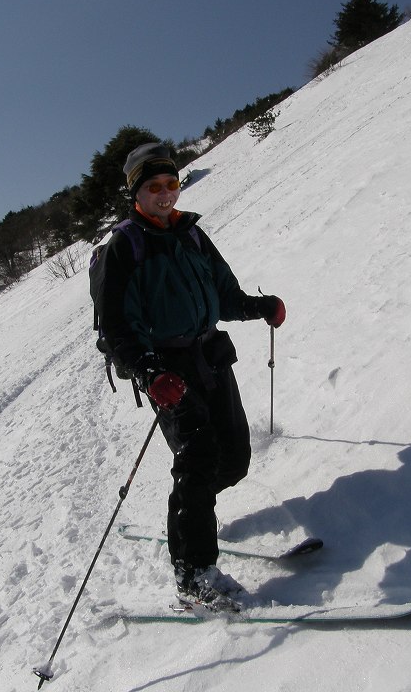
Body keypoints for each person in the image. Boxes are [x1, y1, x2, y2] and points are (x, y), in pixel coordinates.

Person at [91, 142, 286, 611]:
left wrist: (257, 307)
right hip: (166, 371)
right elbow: (114, 328)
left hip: (209, 356)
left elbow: (224, 293)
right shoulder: (123, 248)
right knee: (198, 457)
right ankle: (194, 574)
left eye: (171, 183)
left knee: (234, 459)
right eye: (153, 187)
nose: (165, 194)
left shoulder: (192, 235)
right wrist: (149, 371)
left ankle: (191, 512)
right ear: (136, 193)